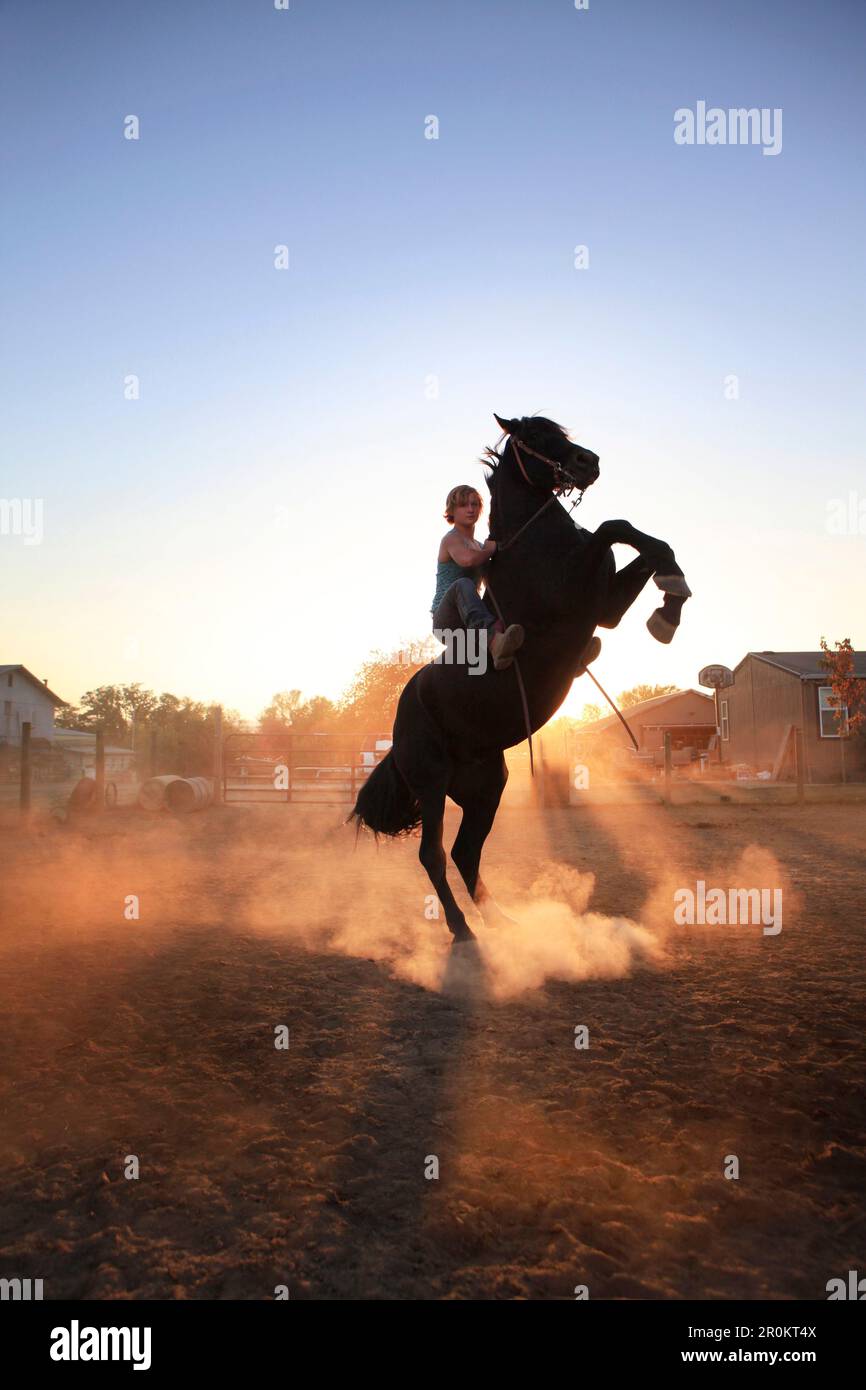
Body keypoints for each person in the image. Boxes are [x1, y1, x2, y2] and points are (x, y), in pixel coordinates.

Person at [430, 484, 524, 671]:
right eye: (464, 505)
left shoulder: (480, 546)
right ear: (452, 511)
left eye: (474, 504)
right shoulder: (451, 539)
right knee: (462, 584)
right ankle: (492, 640)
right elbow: (468, 560)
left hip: (470, 618)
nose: (471, 509)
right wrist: (490, 549)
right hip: (446, 620)